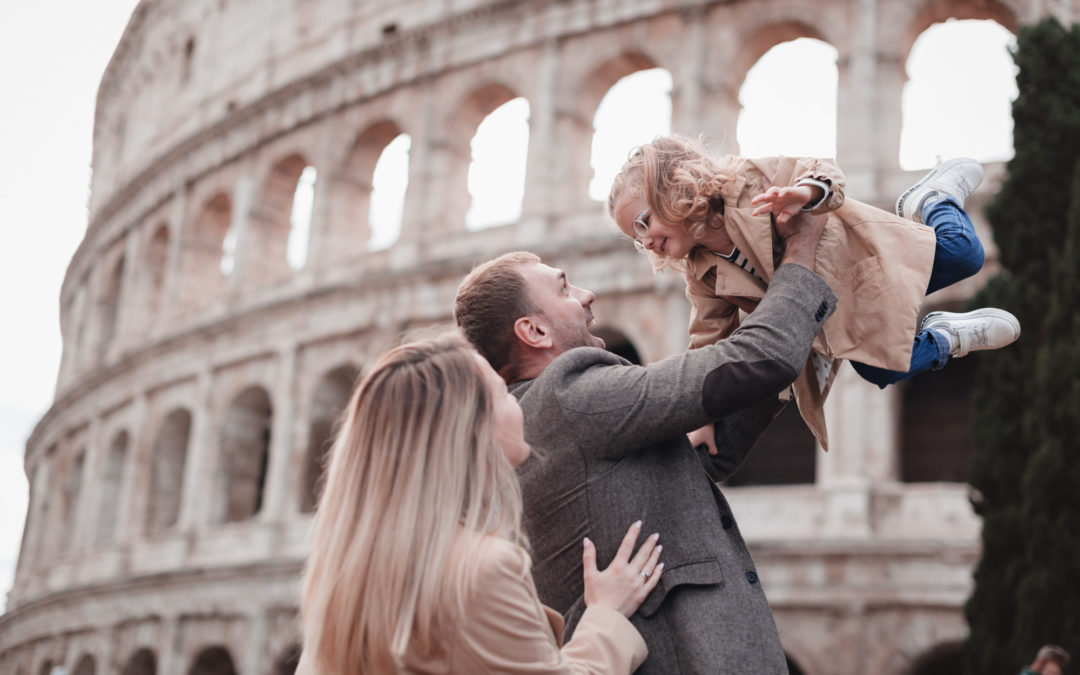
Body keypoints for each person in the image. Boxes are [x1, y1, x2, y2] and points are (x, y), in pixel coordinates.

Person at [454, 209, 836, 674]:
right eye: (564, 288)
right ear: (533, 331)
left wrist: (790, 345)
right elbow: (756, 358)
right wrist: (801, 250)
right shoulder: (568, 394)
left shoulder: (537, 418)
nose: (587, 295)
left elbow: (691, 473)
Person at [607, 135, 1021, 450]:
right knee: (881, 368)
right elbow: (707, 340)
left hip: (862, 263)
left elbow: (820, 166)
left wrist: (805, 193)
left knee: (965, 255)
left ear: (674, 189)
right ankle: (945, 339)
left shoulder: (744, 181)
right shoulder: (701, 272)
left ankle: (933, 199)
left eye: (643, 223)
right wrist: (700, 414)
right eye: (634, 238)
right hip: (834, 312)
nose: (645, 242)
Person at [298, 334, 665, 674]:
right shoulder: (482, 569)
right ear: (472, 427)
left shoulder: (346, 571)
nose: (515, 398)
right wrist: (605, 613)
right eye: (502, 392)